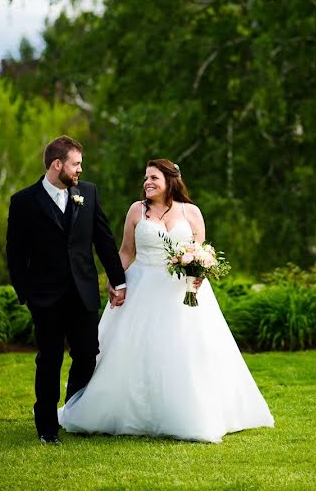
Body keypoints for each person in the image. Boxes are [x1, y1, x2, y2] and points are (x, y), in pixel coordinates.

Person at [58, 159, 274, 443]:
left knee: (187, 351)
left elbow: (201, 252)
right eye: (145, 178)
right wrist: (114, 279)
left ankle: (191, 414)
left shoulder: (191, 212)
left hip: (182, 293)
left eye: (154, 178)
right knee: (134, 350)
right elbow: (125, 252)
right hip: (141, 288)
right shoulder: (137, 210)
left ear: (170, 180)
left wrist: (200, 273)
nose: (147, 183)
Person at [6, 135, 127, 444]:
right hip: (45, 298)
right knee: (49, 361)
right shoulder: (23, 201)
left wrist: (119, 279)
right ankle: (47, 428)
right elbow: (16, 253)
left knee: (87, 354)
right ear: (57, 165)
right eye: (76, 164)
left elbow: (104, 240)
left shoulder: (88, 193)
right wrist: (27, 295)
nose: (80, 170)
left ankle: (74, 412)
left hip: (83, 293)